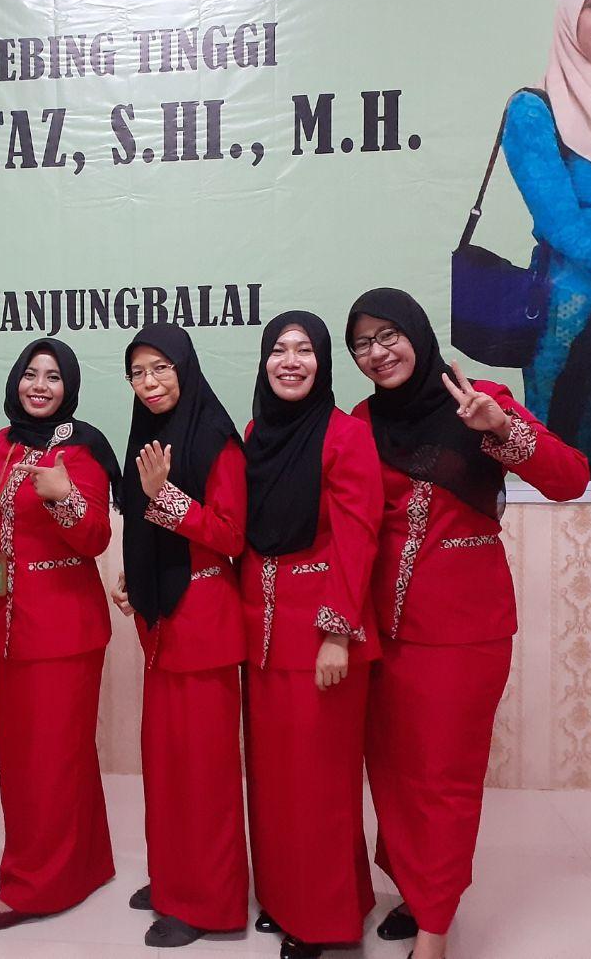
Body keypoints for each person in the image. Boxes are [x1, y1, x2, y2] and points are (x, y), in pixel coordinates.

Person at [346, 289, 590, 959]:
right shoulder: (362, 421)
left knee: (443, 780)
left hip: (462, 632)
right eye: (363, 343)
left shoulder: (476, 398)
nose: (378, 352)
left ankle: (434, 929)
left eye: (389, 334)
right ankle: (418, 891)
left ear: (417, 333)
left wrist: (500, 429)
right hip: (383, 630)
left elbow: (570, 478)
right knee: (393, 773)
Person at [0, 339, 121, 930]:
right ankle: (86, 864)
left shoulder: (82, 448)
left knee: (48, 763)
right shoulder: (0, 442)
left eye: (53, 377)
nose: (39, 386)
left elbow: (96, 537)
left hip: (62, 632)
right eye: (31, 374)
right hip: (8, 626)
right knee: (37, 759)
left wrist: (64, 499)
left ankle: (33, 889)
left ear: (69, 388)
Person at [240, 311, 383, 959]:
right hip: (263, 636)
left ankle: (325, 918)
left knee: (320, 785)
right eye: (279, 349)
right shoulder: (256, 432)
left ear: (322, 362)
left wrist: (337, 634)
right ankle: (285, 896)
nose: (290, 361)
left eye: (304, 350)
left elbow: (358, 537)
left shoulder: (347, 434)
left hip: (322, 639)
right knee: (275, 781)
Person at [110, 324, 249, 948]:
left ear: (185, 369)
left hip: (203, 623)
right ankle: (174, 879)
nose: (150, 382)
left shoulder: (216, 438)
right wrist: (135, 577)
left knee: (203, 775)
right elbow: (146, 533)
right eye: (138, 372)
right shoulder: (150, 434)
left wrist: (165, 496)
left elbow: (231, 534)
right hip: (163, 622)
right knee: (167, 765)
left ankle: (210, 904)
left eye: (161, 367)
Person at [504, 0, 591, 467]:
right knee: (569, 467)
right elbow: (561, 224)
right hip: (571, 320)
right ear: (569, 14)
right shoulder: (534, 111)